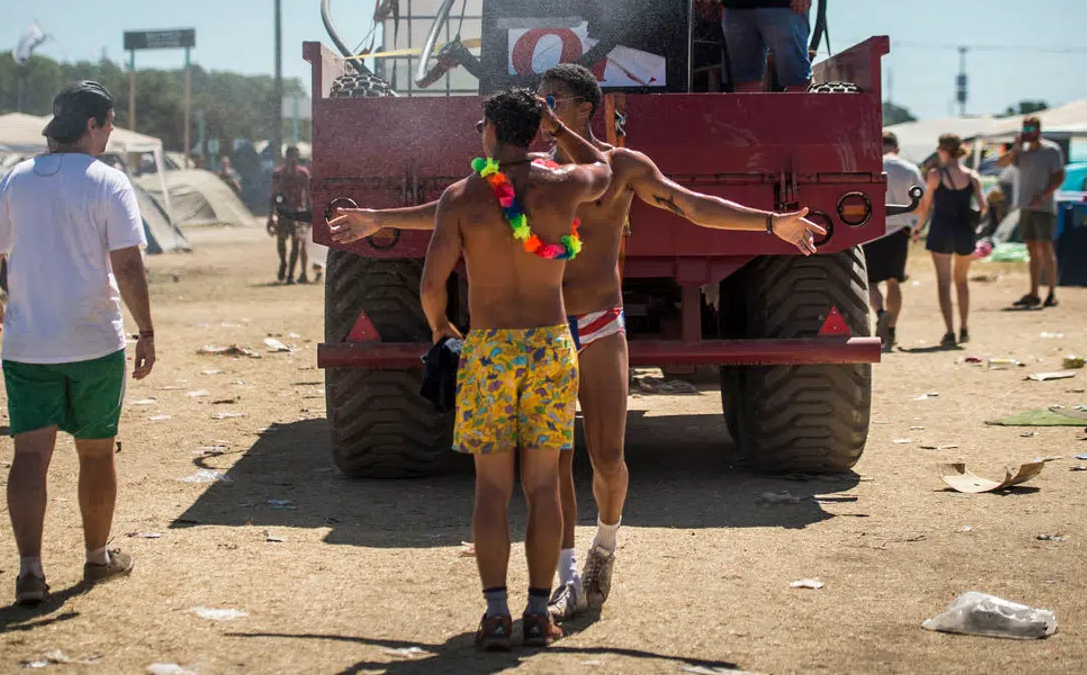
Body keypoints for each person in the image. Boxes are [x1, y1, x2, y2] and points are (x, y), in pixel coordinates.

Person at [329, 63, 824, 620]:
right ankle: (565, 576)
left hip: (601, 323)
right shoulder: (529, 171)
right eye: (541, 102)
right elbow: (454, 209)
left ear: (587, 108)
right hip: (548, 333)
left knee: (609, 457)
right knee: (556, 464)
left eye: (555, 100)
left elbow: (690, 204)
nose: (544, 110)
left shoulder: (620, 167)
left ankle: (603, 550)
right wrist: (377, 217)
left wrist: (768, 223)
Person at [421, 87, 610, 650]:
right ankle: (537, 612)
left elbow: (432, 286)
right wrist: (559, 129)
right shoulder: (564, 185)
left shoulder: (461, 198)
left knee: (491, 489)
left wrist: (440, 329)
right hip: (551, 346)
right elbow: (603, 166)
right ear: (534, 130)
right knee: (546, 484)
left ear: (488, 130)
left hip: (490, 349)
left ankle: (496, 615)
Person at [0, 81, 156, 607]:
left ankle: (30, 572)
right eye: (110, 122)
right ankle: (96, 558)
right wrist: (146, 330)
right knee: (96, 454)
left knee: (30, 455)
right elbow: (127, 263)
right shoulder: (108, 181)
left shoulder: (17, 179)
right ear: (93, 125)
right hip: (95, 342)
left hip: (29, 345)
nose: (112, 131)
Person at [914, 134, 985, 348]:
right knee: (962, 281)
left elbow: (925, 205)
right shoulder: (972, 176)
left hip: (942, 230)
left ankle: (950, 332)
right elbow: (983, 206)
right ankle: (964, 327)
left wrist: (917, 229)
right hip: (964, 231)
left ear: (943, 150)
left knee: (944, 283)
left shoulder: (936, 175)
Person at [863, 131, 925, 351]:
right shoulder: (910, 169)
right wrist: (917, 227)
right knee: (893, 281)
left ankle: (880, 313)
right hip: (899, 230)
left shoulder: (869, 166)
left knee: (869, 282)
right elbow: (922, 202)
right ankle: (892, 329)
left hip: (870, 231)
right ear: (897, 148)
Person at [996, 116, 1064, 307]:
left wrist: (1043, 195)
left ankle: (1051, 292)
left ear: (1038, 130)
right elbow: (1000, 164)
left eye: (1030, 129)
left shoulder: (1051, 150)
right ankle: (1033, 292)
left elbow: (1059, 177)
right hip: (1025, 206)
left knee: (1046, 248)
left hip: (1044, 206)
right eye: (1024, 130)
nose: (1027, 133)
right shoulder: (1021, 153)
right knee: (1032, 250)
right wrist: (1015, 148)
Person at [269, 145, 311, 284]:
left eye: (296, 156)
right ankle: (283, 262)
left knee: (296, 243)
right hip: (283, 212)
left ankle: (291, 275)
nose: (294, 159)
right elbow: (274, 195)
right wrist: (271, 216)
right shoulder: (278, 174)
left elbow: (309, 194)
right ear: (286, 157)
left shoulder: (303, 173)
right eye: (291, 156)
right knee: (281, 240)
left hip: (298, 212)